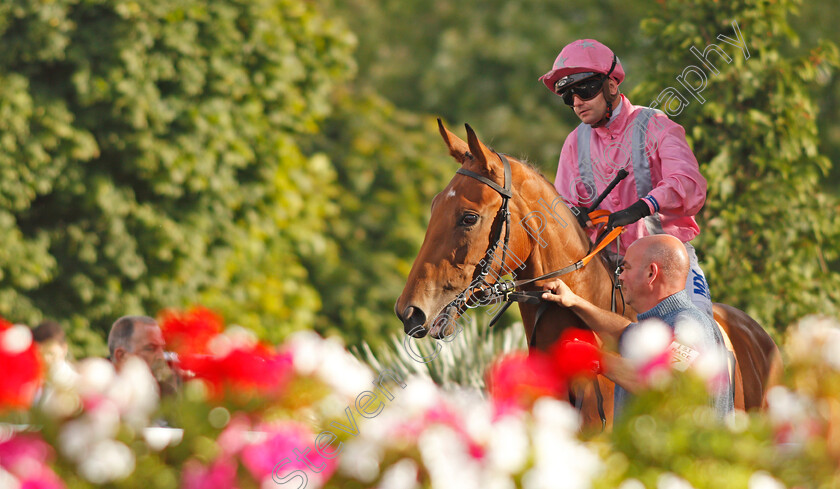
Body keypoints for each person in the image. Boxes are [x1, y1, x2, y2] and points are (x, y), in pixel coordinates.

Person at [540, 39, 714, 318]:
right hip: (606, 267)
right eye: (568, 96)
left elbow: (689, 184)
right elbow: (563, 207)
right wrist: (575, 217)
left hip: (668, 264)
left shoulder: (656, 125)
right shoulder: (574, 143)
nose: (577, 102)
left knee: (693, 336)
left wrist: (640, 208)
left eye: (584, 89)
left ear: (611, 85)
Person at [541, 235, 733, 419]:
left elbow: (666, 383)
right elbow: (624, 331)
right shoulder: (666, 321)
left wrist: (596, 359)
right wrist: (575, 302)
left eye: (625, 268)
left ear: (651, 273)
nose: (621, 277)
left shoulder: (689, 323)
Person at [108, 315, 178, 397]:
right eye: (150, 349)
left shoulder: (165, 393)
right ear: (122, 356)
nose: (161, 357)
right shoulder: (100, 395)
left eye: (162, 348)